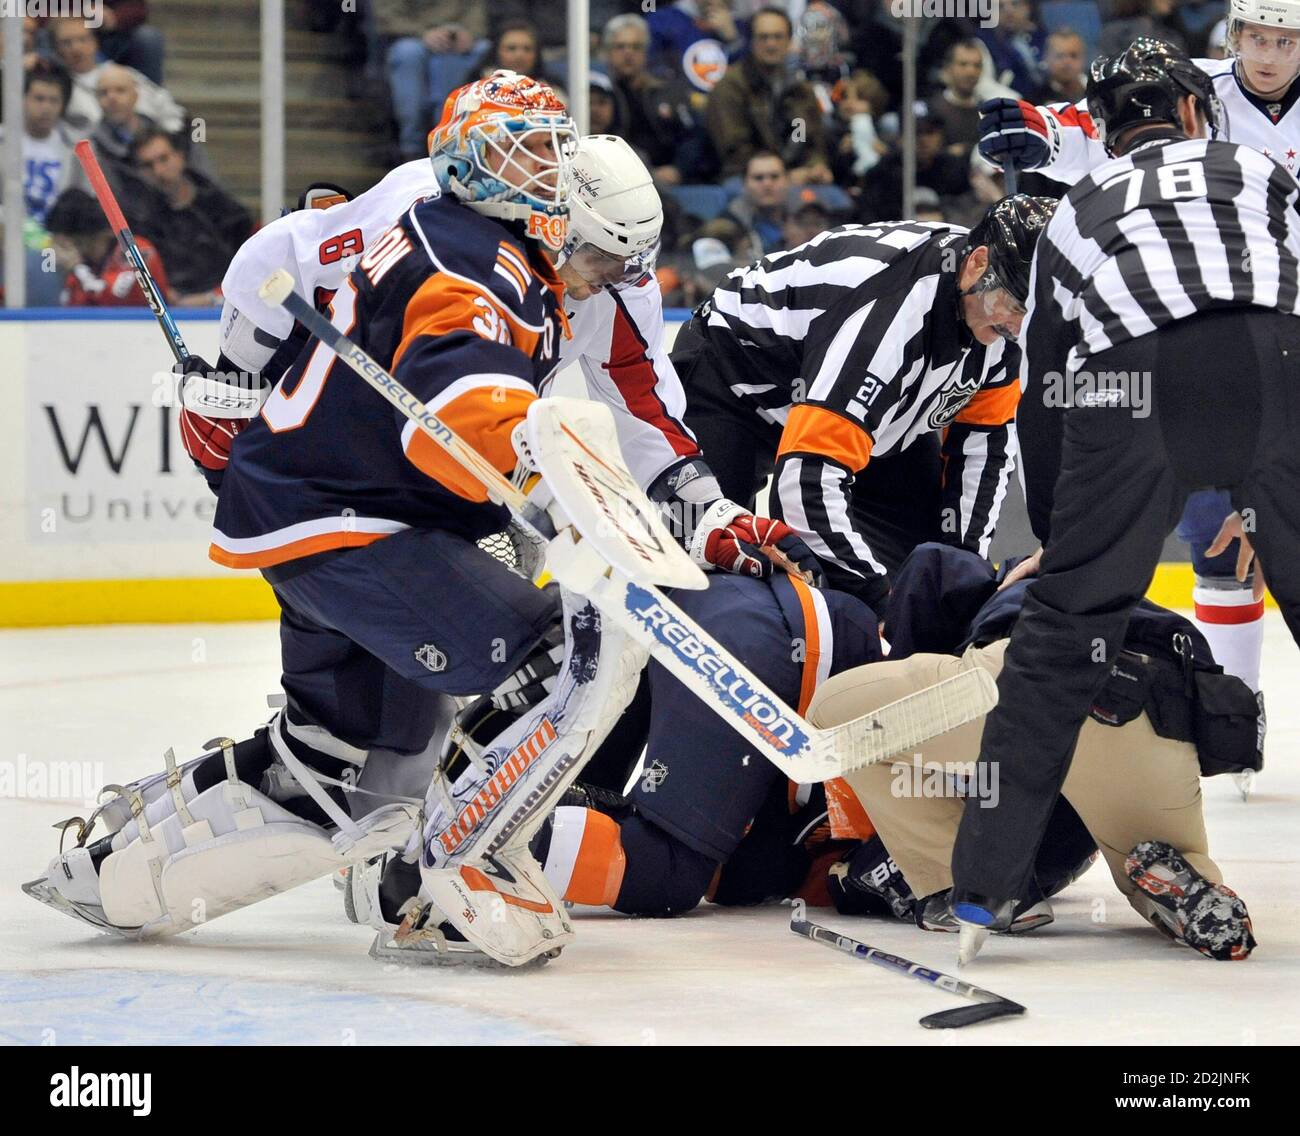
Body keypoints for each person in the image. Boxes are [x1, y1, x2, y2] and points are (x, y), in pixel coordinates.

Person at [948, 39, 1300, 957]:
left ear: (1105, 133)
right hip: (1274, 363)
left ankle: (981, 894)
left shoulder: (1076, 211)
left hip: (1130, 385)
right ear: (1193, 111)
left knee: (1060, 641)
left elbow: (1044, 388)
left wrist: (1071, 553)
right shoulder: (1259, 167)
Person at [977, 0, 1300, 737]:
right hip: (1213, 327)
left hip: (1281, 323)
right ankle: (1233, 711)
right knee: (1216, 533)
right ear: (1234, 35)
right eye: (1256, 37)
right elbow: (1105, 130)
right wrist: (1041, 131)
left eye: (1286, 40)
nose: (1268, 54)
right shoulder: (1195, 92)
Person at [808, 542, 1258, 960]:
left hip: (1029, 677)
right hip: (1161, 712)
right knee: (1150, 849)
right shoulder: (1088, 571)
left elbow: (920, 663)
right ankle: (1190, 882)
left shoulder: (965, 581)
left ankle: (971, 886)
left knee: (838, 716)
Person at [670, 195, 1056, 611]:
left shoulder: (1003, 321)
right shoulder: (890, 320)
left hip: (866, 409)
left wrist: (960, 571)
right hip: (733, 381)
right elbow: (805, 485)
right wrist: (877, 598)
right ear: (978, 264)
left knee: (931, 566)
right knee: (707, 560)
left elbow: (983, 451)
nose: (1017, 328)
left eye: (1033, 316)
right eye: (1016, 307)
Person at [705, 6, 832, 184]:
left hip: (796, 176)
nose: (771, 44)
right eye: (763, 37)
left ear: (789, 42)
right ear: (751, 42)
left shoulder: (801, 90)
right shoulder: (729, 87)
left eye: (778, 37)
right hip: (746, 178)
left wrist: (816, 167)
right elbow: (735, 150)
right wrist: (782, 176)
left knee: (835, 198)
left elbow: (810, 140)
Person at [127, 127, 253, 302]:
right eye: (148, 165)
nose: (158, 171)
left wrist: (211, 298)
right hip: (169, 310)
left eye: (164, 159)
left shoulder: (226, 211)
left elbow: (251, 269)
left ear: (180, 157)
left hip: (227, 304)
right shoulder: (137, 221)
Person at [49, 17, 183, 134]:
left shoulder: (125, 74)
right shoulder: (59, 88)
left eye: (82, 39)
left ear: (95, 42)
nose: (76, 48)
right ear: (56, 49)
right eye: (67, 42)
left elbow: (169, 111)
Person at [43, 186, 173, 307]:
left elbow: (114, 297)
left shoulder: (136, 250)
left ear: (102, 235)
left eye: (75, 244)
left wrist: (79, 269)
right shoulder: (80, 272)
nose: (66, 253)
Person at [0, 61, 84, 227]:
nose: (46, 107)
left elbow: (82, 201)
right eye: (39, 99)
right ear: (23, 99)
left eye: (54, 101)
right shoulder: (3, 140)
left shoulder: (75, 149)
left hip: (58, 239)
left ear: (63, 106)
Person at [722, 150, 790, 254]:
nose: (767, 184)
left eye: (774, 177)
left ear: (787, 181)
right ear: (744, 184)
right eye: (758, 178)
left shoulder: (803, 218)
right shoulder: (727, 226)